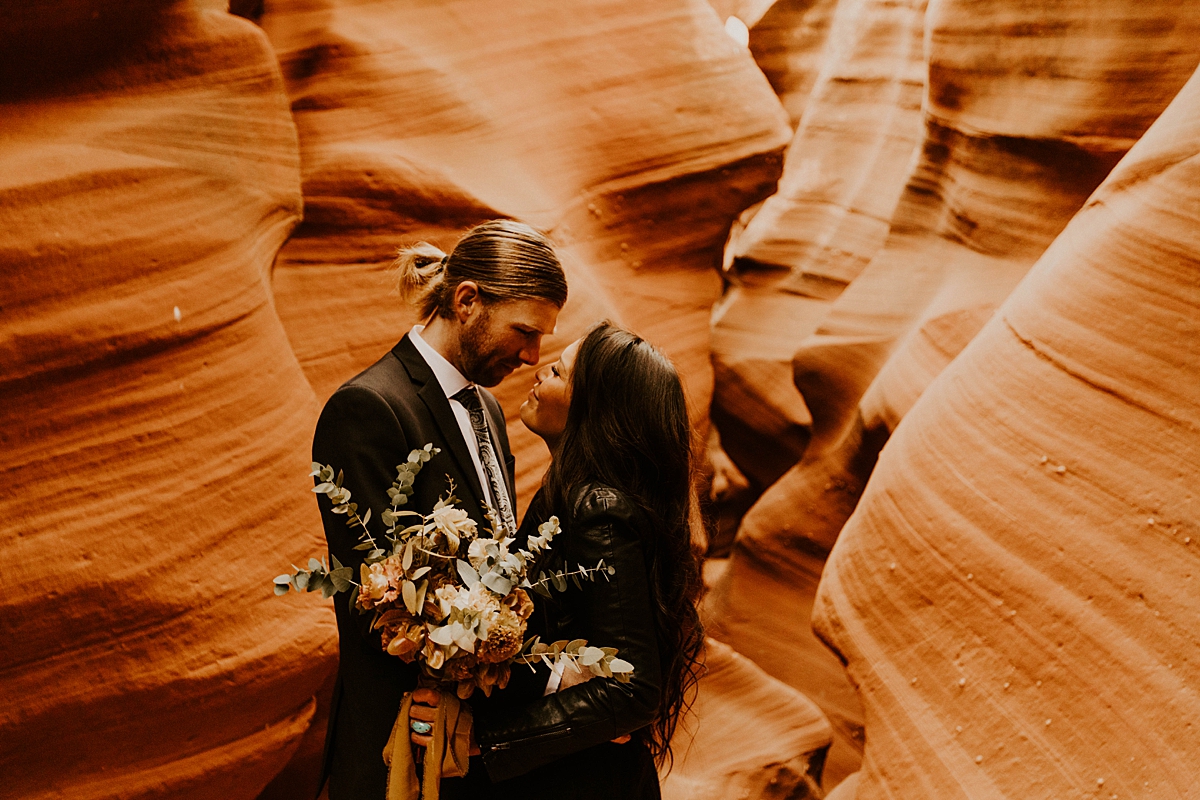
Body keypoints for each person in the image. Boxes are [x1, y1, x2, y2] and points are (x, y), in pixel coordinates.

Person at [311, 219, 568, 800]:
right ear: (468, 300)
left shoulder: (488, 409)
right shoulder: (369, 407)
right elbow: (377, 597)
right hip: (398, 740)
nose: (531, 357)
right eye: (524, 332)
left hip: (468, 743)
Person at [410, 322, 706, 799]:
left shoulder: (598, 509)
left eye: (559, 372)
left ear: (594, 408)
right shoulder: (577, 494)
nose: (539, 372)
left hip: (583, 781)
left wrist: (483, 741)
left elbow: (632, 688)